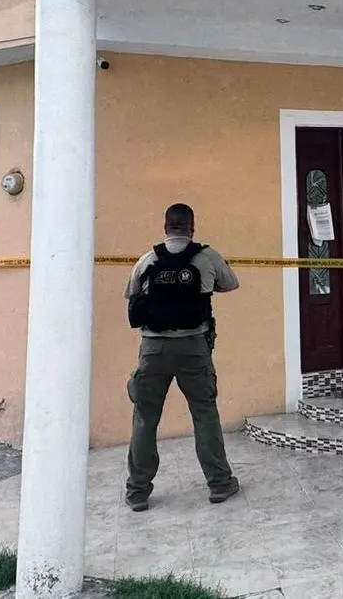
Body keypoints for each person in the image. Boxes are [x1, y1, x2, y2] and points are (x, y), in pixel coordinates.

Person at [123, 203, 240, 511]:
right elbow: (230, 284)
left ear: (165, 226)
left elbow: (132, 296)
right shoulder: (206, 256)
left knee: (145, 419)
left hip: (153, 350)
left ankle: (137, 491)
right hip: (193, 348)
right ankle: (219, 484)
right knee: (204, 414)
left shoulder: (147, 260)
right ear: (192, 226)